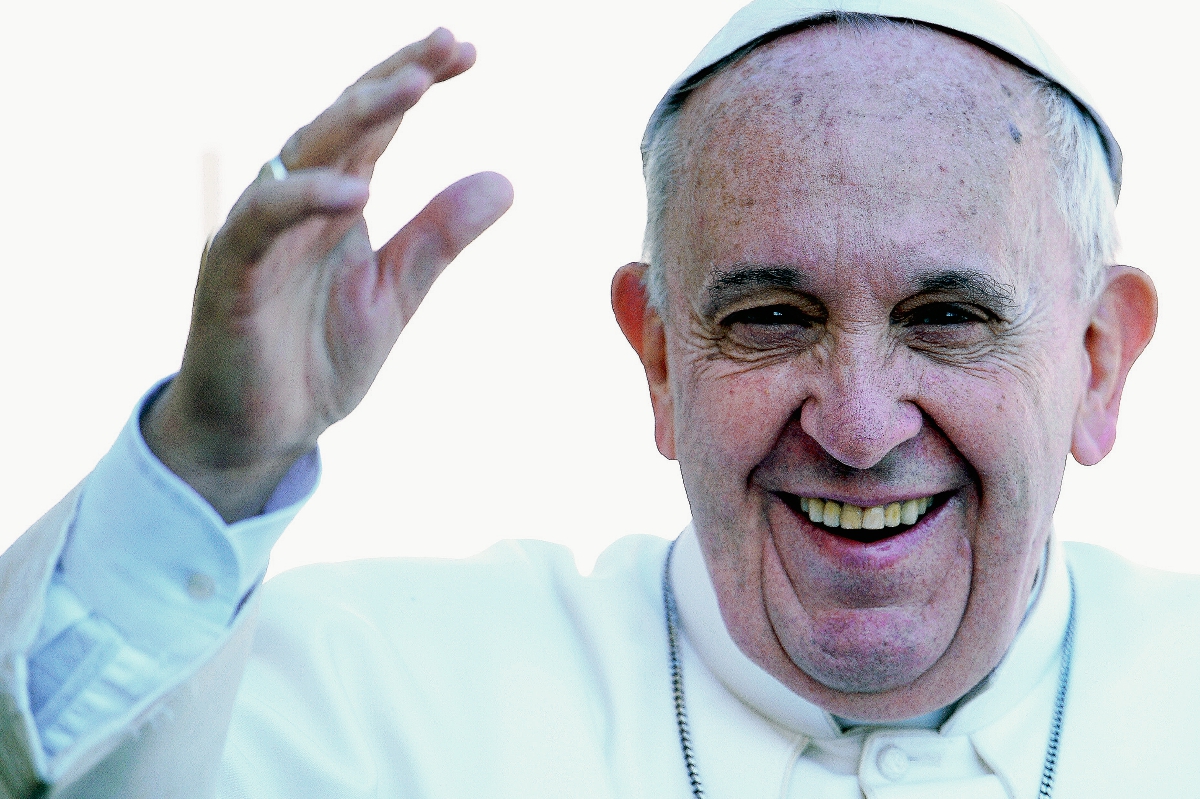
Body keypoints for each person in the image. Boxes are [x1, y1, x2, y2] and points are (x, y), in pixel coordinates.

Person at [0, 0, 1192, 796]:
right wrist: (214, 463)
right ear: (662, 360)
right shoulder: (375, 690)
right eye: (771, 317)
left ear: (1098, 360)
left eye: (946, 318)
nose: (861, 424)